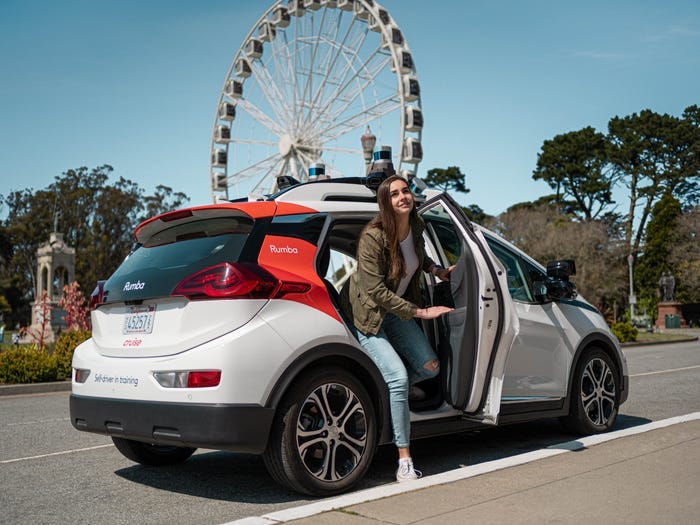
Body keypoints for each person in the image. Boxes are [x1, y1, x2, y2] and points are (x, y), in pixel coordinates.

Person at [340, 175, 453, 482]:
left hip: (396, 309)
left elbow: (420, 256)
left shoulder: (417, 226)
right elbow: (375, 291)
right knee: (399, 378)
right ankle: (404, 461)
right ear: (385, 203)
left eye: (405, 191)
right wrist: (421, 311)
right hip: (368, 314)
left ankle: (391, 390)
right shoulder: (372, 238)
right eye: (394, 194)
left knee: (430, 367)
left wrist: (437, 271)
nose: (403, 197)